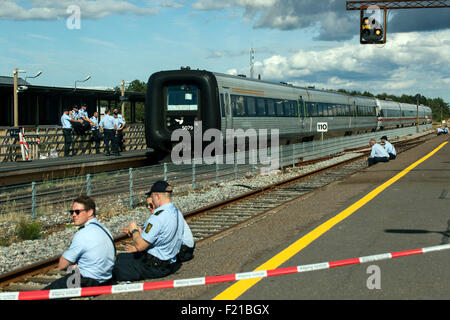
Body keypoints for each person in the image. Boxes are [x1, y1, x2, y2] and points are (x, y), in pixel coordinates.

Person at [112, 181, 184, 282]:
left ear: (158, 196)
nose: (152, 200)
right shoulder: (177, 212)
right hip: (171, 262)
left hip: (156, 266)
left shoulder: (158, 217)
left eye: (152, 197)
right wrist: (142, 233)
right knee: (123, 258)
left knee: (118, 264)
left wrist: (134, 231)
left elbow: (140, 245)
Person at [43, 195, 115, 290]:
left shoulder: (83, 234)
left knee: (45, 293)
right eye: (71, 212)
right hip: (106, 280)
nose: (73, 215)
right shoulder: (105, 229)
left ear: (90, 212)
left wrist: (72, 266)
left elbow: (62, 265)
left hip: (87, 282)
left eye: (77, 212)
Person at [146, 195, 195, 262]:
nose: (148, 207)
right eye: (147, 205)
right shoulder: (168, 211)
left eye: (150, 205)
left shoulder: (166, 215)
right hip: (185, 248)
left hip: (184, 250)